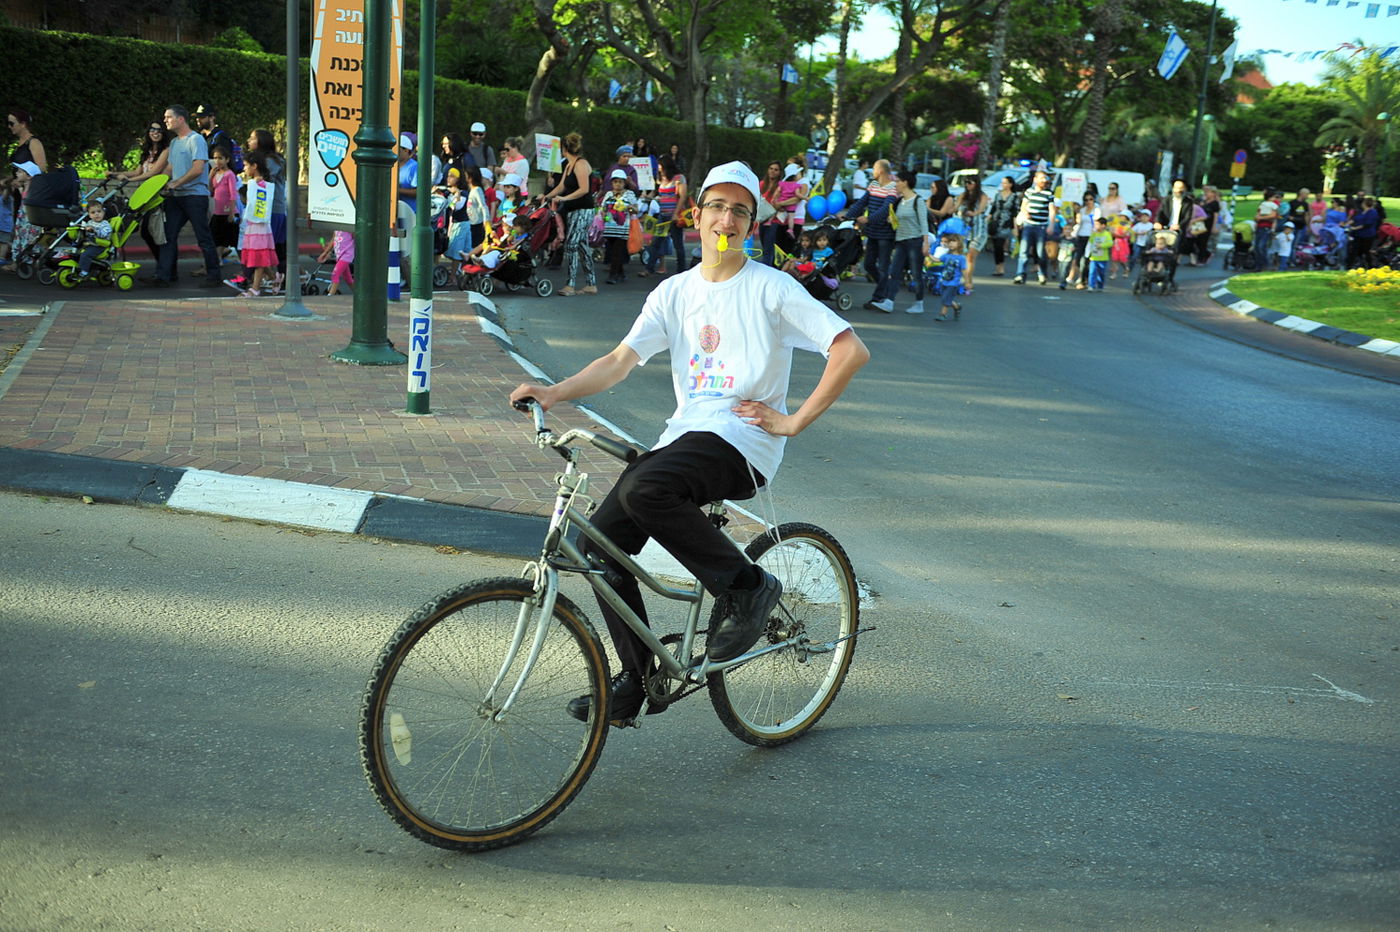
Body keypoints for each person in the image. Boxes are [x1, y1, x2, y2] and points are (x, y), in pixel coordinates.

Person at [508, 161, 870, 725]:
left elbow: (849, 350)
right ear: (695, 215)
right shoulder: (674, 292)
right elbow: (620, 361)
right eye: (718, 207)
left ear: (751, 225)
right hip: (687, 437)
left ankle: (749, 589)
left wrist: (793, 422)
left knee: (647, 488)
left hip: (742, 443)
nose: (727, 219)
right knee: (600, 545)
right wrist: (554, 393)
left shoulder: (771, 288)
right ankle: (636, 677)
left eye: (740, 211)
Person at [143, 105, 223, 288]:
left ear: (180, 119)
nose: (165, 121)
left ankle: (214, 276)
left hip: (195, 196)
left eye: (168, 117)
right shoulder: (174, 143)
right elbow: (170, 169)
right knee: (167, 236)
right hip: (176, 197)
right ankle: (164, 276)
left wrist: (175, 183)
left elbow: (198, 169)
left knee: (203, 237)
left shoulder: (196, 140)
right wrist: (160, 182)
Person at [541, 131, 597, 296]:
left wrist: (563, 198)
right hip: (573, 210)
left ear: (564, 149)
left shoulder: (580, 164)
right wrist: (547, 196)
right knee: (582, 247)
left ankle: (570, 285)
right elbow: (561, 187)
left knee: (572, 245)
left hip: (583, 210)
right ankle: (591, 284)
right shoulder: (568, 165)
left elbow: (584, 189)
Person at [108, 120, 172, 262]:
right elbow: (137, 172)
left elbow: (153, 173)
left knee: (154, 232)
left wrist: (128, 180)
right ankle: (162, 265)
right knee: (147, 232)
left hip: (158, 197)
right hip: (147, 196)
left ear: (163, 133)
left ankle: (164, 266)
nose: (155, 133)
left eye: (159, 130)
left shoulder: (166, 151)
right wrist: (115, 173)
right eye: (152, 130)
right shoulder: (147, 152)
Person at [842, 158, 898, 311]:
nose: (872, 172)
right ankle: (885, 288)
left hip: (885, 234)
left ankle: (878, 297)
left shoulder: (893, 188)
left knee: (883, 266)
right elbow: (862, 202)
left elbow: (886, 209)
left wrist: (868, 219)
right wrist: (848, 215)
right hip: (872, 232)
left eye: (874, 169)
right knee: (868, 264)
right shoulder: (873, 185)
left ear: (880, 171)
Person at [247, 128, 288, 290]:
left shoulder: (271, 160)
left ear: (261, 141)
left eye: (252, 138)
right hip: (265, 208)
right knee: (272, 247)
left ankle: (269, 279)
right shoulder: (265, 159)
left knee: (271, 247)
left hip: (272, 208)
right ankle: (272, 277)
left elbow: (265, 180)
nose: (249, 141)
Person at [883, 169, 928, 314]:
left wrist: (925, 243)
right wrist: (892, 220)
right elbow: (897, 222)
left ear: (905, 182)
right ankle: (889, 301)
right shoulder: (899, 202)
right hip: (900, 241)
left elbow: (924, 223)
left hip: (915, 242)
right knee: (894, 271)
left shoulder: (918, 201)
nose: (895, 184)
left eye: (897, 181)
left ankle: (919, 303)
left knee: (916, 274)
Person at [236, 153, 278, 297]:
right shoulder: (254, 183)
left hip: (259, 225)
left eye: (246, 165)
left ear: (255, 166)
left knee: (259, 256)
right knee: (257, 255)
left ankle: (255, 288)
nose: (244, 168)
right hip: (254, 224)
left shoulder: (259, 183)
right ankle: (274, 278)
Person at [1013, 169, 1056, 284]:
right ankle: (1020, 274)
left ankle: (1042, 274)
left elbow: (1052, 210)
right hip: (1028, 225)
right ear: (1035, 179)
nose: (1044, 180)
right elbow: (1023, 206)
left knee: (1040, 252)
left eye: (1045, 178)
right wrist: (1024, 213)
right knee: (1024, 251)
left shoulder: (1049, 193)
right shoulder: (1029, 192)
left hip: (1041, 226)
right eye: (1041, 178)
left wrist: (1051, 225)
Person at [599, 168, 638, 285]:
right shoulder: (609, 194)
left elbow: (636, 209)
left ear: (624, 183)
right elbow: (603, 208)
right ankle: (621, 273)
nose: (618, 184)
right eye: (615, 182)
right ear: (612, 183)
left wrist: (628, 207)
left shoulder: (629, 194)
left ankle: (613, 275)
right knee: (612, 252)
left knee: (617, 252)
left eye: (620, 182)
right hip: (609, 228)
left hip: (622, 229)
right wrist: (603, 212)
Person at [651, 154, 687, 275]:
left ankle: (681, 270)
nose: (659, 167)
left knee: (678, 244)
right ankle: (649, 268)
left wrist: (676, 213)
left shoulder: (679, 178)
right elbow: (659, 193)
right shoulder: (660, 178)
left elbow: (682, 196)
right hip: (663, 214)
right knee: (656, 242)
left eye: (660, 165)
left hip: (674, 215)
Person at [951, 176, 989, 292]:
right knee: (964, 257)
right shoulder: (963, 195)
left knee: (970, 257)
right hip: (965, 231)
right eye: (966, 182)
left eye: (970, 182)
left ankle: (967, 281)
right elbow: (955, 208)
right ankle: (968, 280)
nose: (967, 185)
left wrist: (973, 213)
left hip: (978, 230)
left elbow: (981, 210)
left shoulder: (982, 196)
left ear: (976, 184)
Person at [208, 146, 240, 265]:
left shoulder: (229, 174)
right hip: (218, 211)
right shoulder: (215, 174)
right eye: (215, 158)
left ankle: (244, 264)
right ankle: (218, 259)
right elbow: (211, 192)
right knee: (216, 237)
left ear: (227, 159)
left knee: (232, 238)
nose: (217, 161)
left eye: (220, 158)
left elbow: (233, 194)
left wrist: (231, 212)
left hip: (228, 212)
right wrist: (210, 177)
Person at [1060, 191, 1099, 290]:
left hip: (1090, 237)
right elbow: (1078, 223)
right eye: (1086, 200)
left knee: (1085, 261)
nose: (1088, 201)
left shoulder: (1097, 209)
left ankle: (1083, 280)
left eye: (1090, 199)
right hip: (1080, 235)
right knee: (1076, 258)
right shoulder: (1082, 210)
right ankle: (1072, 277)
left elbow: (1096, 224)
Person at [986, 175, 1020, 277]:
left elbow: (1015, 212)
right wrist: (988, 219)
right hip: (996, 222)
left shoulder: (1014, 197)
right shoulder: (998, 195)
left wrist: (1015, 227)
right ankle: (998, 266)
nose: (1003, 185)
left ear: (1010, 184)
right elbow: (993, 208)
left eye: (1005, 183)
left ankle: (1001, 267)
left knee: (999, 245)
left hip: (1006, 223)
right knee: (996, 246)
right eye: (1002, 183)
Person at [71, 199, 113, 281]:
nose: (97, 214)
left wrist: (94, 230)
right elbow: (85, 228)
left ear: (103, 213)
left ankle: (84, 272)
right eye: (93, 212)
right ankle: (83, 267)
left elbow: (104, 234)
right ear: (89, 215)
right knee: (76, 250)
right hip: (90, 243)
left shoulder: (105, 224)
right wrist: (79, 227)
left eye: (99, 211)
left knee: (85, 255)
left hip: (99, 245)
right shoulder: (90, 222)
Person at [929, 231, 965, 322]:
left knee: (946, 297)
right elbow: (937, 260)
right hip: (944, 280)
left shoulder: (961, 258)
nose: (951, 244)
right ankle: (956, 306)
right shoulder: (946, 256)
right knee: (946, 297)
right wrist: (928, 255)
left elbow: (964, 270)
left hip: (954, 282)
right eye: (950, 242)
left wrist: (967, 281)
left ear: (959, 244)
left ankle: (943, 314)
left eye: (954, 241)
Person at [193, 105, 238, 171]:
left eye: (202, 117)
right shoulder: (201, 136)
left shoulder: (220, 137)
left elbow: (224, 162)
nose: (198, 119)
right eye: (197, 117)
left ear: (212, 117)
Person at [7, 108, 47, 174]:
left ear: (23, 124)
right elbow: (18, 172)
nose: (9, 126)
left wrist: (25, 177)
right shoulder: (19, 143)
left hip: (31, 184)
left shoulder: (34, 142)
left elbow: (42, 168)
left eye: (11, 123)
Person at [317, 228, 355, 295]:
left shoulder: (349, 228)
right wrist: (325, 253)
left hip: (346, 256)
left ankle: (330, 296)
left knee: (335, 275)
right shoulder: (337, 228)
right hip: (339, 255)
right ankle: (359, 294)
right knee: (348, 279)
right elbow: (333, 240)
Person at [1085, 216, 1112, 290]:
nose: (1096, 226)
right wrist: (1087, 254)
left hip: (1103, 258)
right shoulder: (1094, 234)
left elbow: (1110, 243)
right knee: (1092, 271)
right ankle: (1091, 285)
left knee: (1101, 273)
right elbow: (1090, 243)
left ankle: (1100, 285)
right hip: (1094, 257)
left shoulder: (1107, 234)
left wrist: (1101, 245)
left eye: (1097, 224)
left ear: (1103, 225)